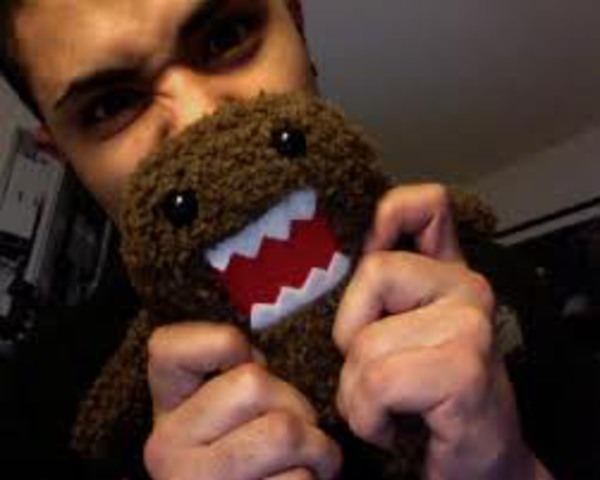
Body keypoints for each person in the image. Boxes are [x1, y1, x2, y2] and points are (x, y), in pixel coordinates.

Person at [1, 0, 553, 478]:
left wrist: (507, 469)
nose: (201, 120)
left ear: (298, 24)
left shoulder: (489, 293)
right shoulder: (42, 403)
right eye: (110, 106)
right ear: (64, 157)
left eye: (227, 35)